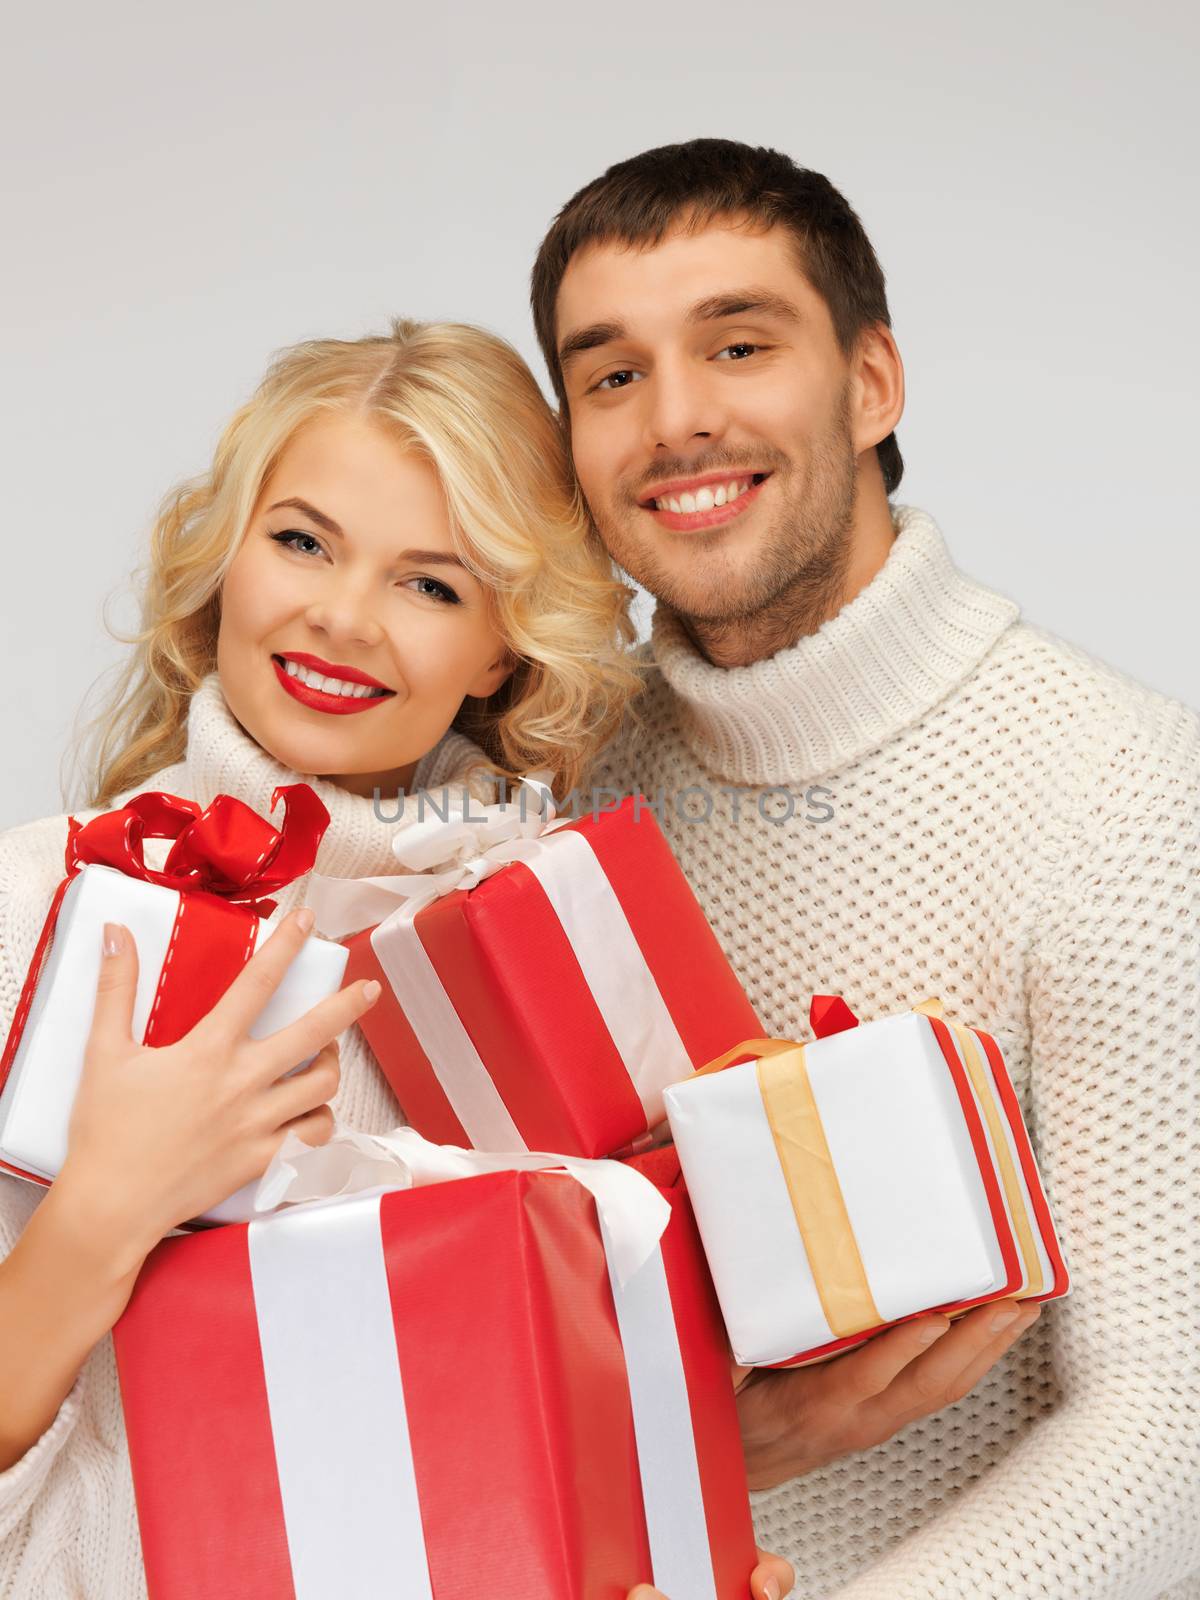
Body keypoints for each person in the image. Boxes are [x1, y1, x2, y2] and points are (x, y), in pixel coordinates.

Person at [0, 318, 789, 1598]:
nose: (343, 617)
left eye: (433, 583)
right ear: (225, 555)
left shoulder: (552, 958)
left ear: (502, 644)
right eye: (303, 540)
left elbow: (562, 1423)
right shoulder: (35, 898)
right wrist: (108, 1205)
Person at [531, 138, 1200, 1599]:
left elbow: (1174, 1422)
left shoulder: (1123, 792)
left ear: (874, 383)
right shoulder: (566, 785)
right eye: (612, 376)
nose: (677, 420)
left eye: (740, 342)